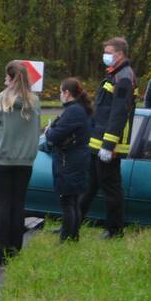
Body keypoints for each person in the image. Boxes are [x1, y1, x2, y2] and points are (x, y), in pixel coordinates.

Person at [79, 37, 137, 238]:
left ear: (119, 54)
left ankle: (115, 230)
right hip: (99, 141)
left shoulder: (124, 77)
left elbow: (119, 112)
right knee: (89, 185)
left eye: (109, 52)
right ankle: (72, 223)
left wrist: (109, 144)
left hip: (109, 144)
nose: (106, 56)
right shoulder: (115, 75)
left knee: (111, 188)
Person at [0, 61, 41, 265]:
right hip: (25, 160)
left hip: (3, 158)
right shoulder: (34, 101)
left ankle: (0, 253)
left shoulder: (1, 99)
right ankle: (15, 248)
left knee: (3, 203)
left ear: (10, 79)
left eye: (5, 77)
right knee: (19, 204)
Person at [44, 78, 93, 242]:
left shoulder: (73, 111)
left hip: (69, 160)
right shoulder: (81, 109)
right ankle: (73, 236)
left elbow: (55, 135)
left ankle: (66, 238)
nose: (60, 95)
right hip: (77, 159)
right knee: (73, 201)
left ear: (67, 93)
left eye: (60, 92)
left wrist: (49, 132)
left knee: (67, 202)